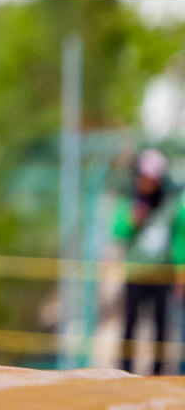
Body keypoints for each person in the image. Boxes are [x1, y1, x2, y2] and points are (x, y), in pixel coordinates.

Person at [114, 148, 185, 375]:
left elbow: (179, 240)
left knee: (161, 327)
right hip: (136, 273)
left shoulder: (171, 205)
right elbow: (117, 232)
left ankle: (157, 373)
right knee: (129, 325)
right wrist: (132, 221)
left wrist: (180, 271)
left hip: (162, 276)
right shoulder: (131, 202)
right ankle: (125, 370)